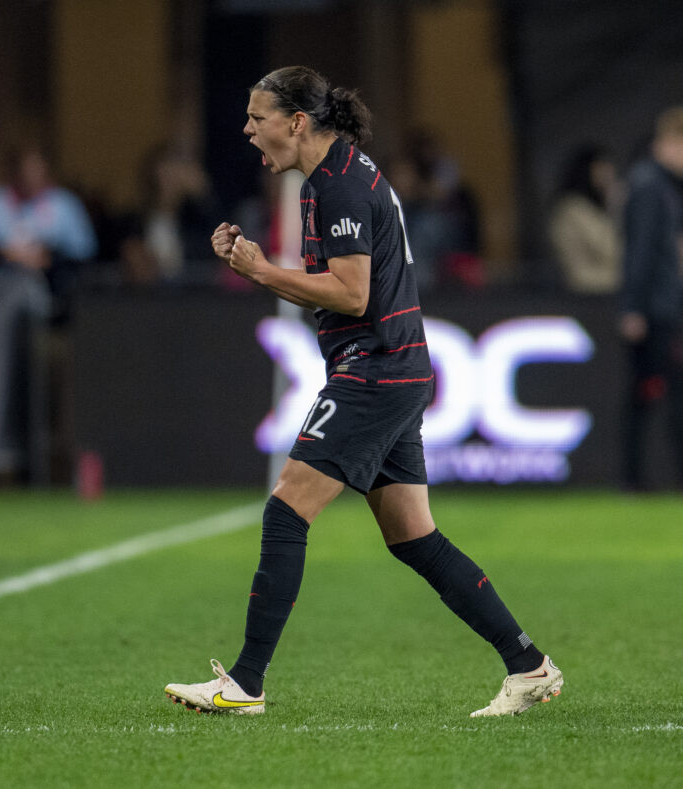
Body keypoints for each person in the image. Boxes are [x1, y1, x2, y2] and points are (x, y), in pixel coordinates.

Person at [164, 66, 562, 718]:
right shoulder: (345, 170)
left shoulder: (339, 185)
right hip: (395, 366)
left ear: (296, 122)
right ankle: (529, 663)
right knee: (413, 537)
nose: (247, 130)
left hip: (375, 369)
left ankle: (245, 682)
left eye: (257, 117)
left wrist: (263, 270)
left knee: (287, 507)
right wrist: (260, 262)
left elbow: (353, 293)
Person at [619, 106, 683, 492]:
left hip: (663, 306)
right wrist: (633, 307)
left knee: (653, 392)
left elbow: (668, 256)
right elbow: (641, 251)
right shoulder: (650, 185)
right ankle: (674, 477)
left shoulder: (661, 187)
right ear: (675, 144)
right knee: (655, 393)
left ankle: (644, 478)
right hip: (655, 311)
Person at [0, 145, 96, 301]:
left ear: (46, 171)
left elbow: (83, 251)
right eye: (25, 171)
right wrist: (2, 253)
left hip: (52, 288)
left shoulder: (64, 204)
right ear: (12, 172)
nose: (30, 177)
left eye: (36, 170)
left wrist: (48, 257)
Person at [547, 145, 623, 294]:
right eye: (601, 169)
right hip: (586, 290)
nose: (609, 175)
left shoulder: (590, 207)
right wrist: (615, 207)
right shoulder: (573, 208)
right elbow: (611, 250)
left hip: (601, 287)